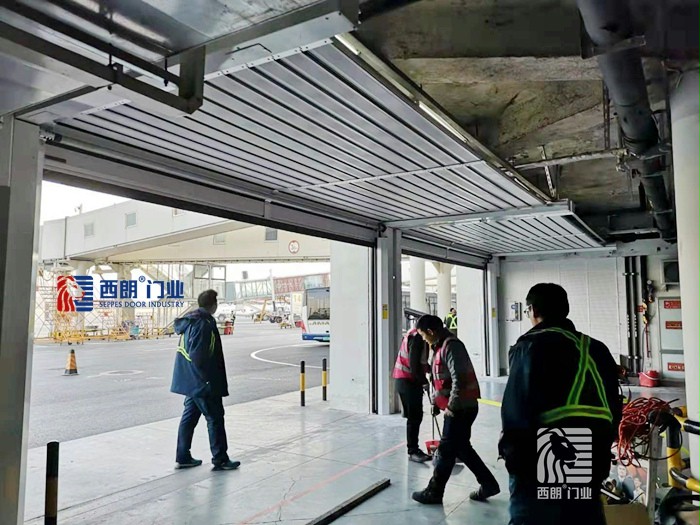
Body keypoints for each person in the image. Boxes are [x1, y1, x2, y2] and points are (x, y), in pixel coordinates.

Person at [499, 283, 622, 525]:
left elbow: (517, 409)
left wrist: (512, 457)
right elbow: (613, 404)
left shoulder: (529, 345)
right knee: (580, 516)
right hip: (592, 448)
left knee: (536, 516)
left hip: (546, 448)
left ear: (533, 310)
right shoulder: (595, 347)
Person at [412, 315, 500, 504]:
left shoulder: (452, 346)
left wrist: (451, 406)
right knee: (462, 448)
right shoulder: (438, 347)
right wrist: (436, 402)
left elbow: (459, 379)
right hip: (457, 407)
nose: (423, 339)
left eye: (423, 335)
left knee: (446, 450)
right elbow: (440, 381)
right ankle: (489, 484)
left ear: (431, 331)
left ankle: (434, 492)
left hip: (461, 408)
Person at [171, 289, 240, 471]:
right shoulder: (204, 324)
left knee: (189, 418)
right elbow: (199, 356)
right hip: (202, 382)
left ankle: (183, 456)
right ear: (213, 305)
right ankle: (220, 459)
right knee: (215, 418)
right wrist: (207, 380)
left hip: (190, 381)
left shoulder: (191, 321)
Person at [393, 323, 431, 463]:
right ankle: (413, 451)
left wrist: (429, 369)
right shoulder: (418, 338)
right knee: (414, 417)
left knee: (415, 416)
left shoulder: (414, 335)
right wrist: (424, 381)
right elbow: (414, 365)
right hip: (407, 380)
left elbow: (419, 361)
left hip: (407, 379)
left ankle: (413, 449)